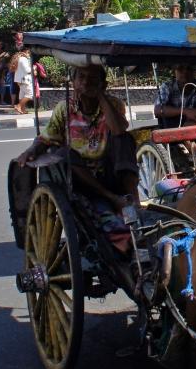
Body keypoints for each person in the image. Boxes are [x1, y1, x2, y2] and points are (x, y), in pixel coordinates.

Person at [16, 65, 139, 251]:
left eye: (93, 78)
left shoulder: (113, 104)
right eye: (81, 77)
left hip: (110, 172)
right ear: (73, 83)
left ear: (103, 84)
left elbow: (119, 130)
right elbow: (48, 138)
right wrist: (32, 150)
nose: (86, 82)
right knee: (63, 153)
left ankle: (132, 200)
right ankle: (112, 199)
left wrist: (100, 96)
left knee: (125, 139)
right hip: (80, 178)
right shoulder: (64, 108)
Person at [13, 46, 33, 114]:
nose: (29, 53)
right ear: (25, 51)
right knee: (30, 94)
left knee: (22, 94)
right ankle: (19, 106)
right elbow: (27, 70)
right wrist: (34, 68)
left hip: (20, 79)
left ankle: (23, 109)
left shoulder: (19, 58)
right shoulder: (23, 59)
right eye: (28, 52)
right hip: (25, 79)